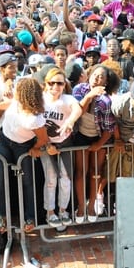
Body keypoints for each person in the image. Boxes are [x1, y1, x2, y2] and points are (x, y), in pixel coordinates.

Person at [0, 77, 48, 234]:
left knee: (28, 181)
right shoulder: (17, 102)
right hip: (3, 141)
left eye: (17, 89)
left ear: (23, 94)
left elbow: (43, 139)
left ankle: (30, 217)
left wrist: (35, 148)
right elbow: (9, 103)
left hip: (23, 146)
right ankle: (3, 216)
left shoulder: (35, 118)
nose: (14, 90)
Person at [72, 65, 119, 224]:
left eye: (101, 77)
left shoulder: (106, 101)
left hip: (99, 137)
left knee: (95, 172)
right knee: (80, 172)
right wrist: (89, 96)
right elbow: (78, 112)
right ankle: (81, 206)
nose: (96, 79)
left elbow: (109, 128)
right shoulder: (79, 89)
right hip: (80, 135)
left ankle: (91, 205)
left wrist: (99, 144)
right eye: (94, 75)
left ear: (106, 82)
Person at [40, 67, 82, 228]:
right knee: (50, 179)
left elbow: (77, 109)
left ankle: (63, 210)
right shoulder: (41, 99)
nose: (55, 87)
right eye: (52, 83)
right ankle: (50, 212)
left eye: (59, 83)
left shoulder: (67, 99)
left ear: (64, 85)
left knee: (65, 178)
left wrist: (70, 121)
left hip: (64, 143)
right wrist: (47, 145)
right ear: (46, 83)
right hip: (45, 143)